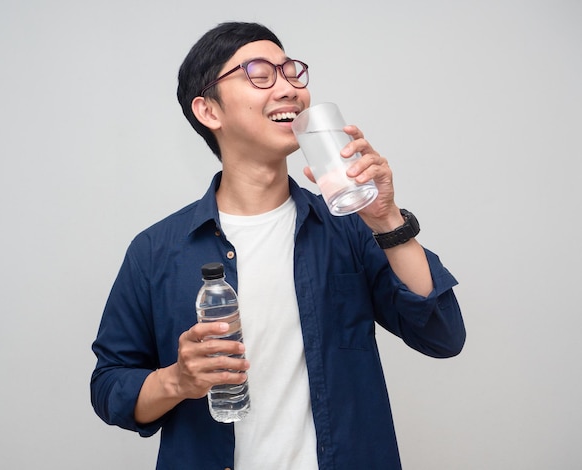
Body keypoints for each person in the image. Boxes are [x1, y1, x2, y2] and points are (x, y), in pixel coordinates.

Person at [90, 21, 466, 470]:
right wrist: (177, 380)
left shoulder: (348, 227)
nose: (288, 88)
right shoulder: (156, 251)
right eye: (260, 74)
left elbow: (443, 335)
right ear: (209, 111)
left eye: (291, 72)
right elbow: (110, 387)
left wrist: (386, 218)